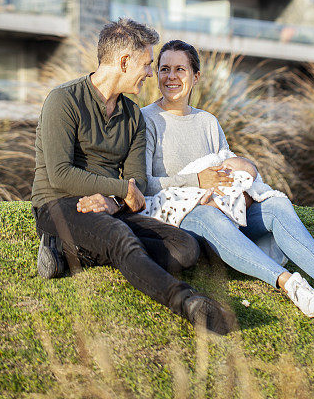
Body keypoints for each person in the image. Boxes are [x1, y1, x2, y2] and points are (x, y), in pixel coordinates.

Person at [142, 39, 314, 318]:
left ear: (196, 77)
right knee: (209, 216)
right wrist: (197, 181)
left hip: (225, 208)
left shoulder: (208, 123)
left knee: (276, 206)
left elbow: (228, 169)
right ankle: (290, 284)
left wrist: (237, 190)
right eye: (164, 69)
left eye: (180, 69)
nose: (171, 77)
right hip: (183, 217)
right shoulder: (146, 120)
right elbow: (144, 183)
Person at [31, 19, 235, 335]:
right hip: (58, 204)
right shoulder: (64, 100)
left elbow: (137, 180)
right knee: (120, 238)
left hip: (112, 206)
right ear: (125, 62)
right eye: (147, 64)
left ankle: (69, 251)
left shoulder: (133, 114)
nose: (151, 73)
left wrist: (113, 199)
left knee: (185, 248)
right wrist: (118, 189)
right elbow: (60, 175)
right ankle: (188, 303)